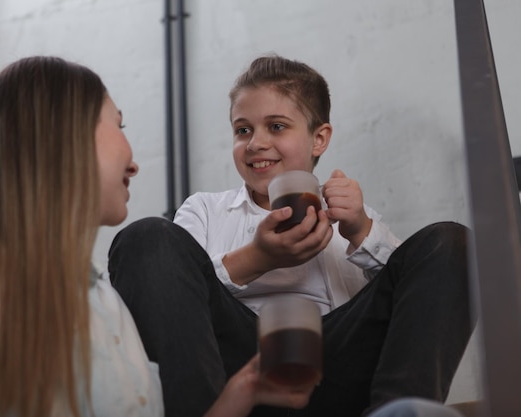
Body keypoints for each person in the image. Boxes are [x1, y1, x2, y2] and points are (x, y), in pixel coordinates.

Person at [0, 56, 315, 417]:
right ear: (64, 137)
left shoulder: (105, 301)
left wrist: (240, 392)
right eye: (119, 125)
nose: (134, 163)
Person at [108, 55, 475, 416]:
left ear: (319, 139)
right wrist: (257, 258)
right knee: (147, 236)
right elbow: (176, 295)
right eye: (243, 129)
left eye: (277, 126)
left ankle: (396, 413)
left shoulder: (349, 217)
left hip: (336, 367)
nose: (255, 143)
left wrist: (362, 229)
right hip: (236, 372)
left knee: (449, 243)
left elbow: (418, 301)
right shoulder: (204, 211)